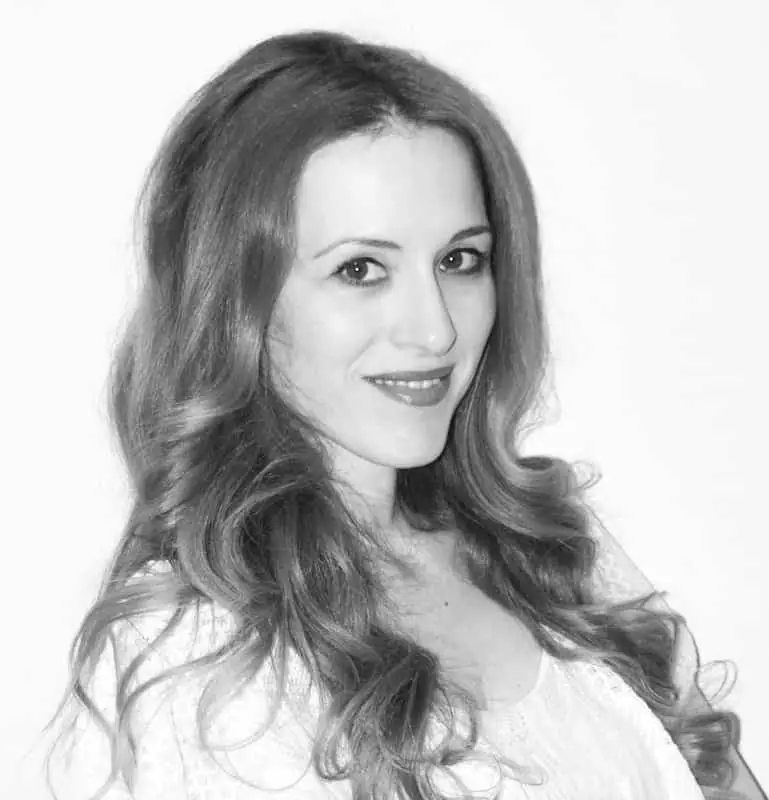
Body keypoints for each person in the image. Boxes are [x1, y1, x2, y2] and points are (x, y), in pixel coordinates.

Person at [44, 29, 760, 800]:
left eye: (459, 260)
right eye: (361, 269)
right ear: (234, 302)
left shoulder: (554, 552)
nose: (435, 329)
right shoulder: (198, 656)